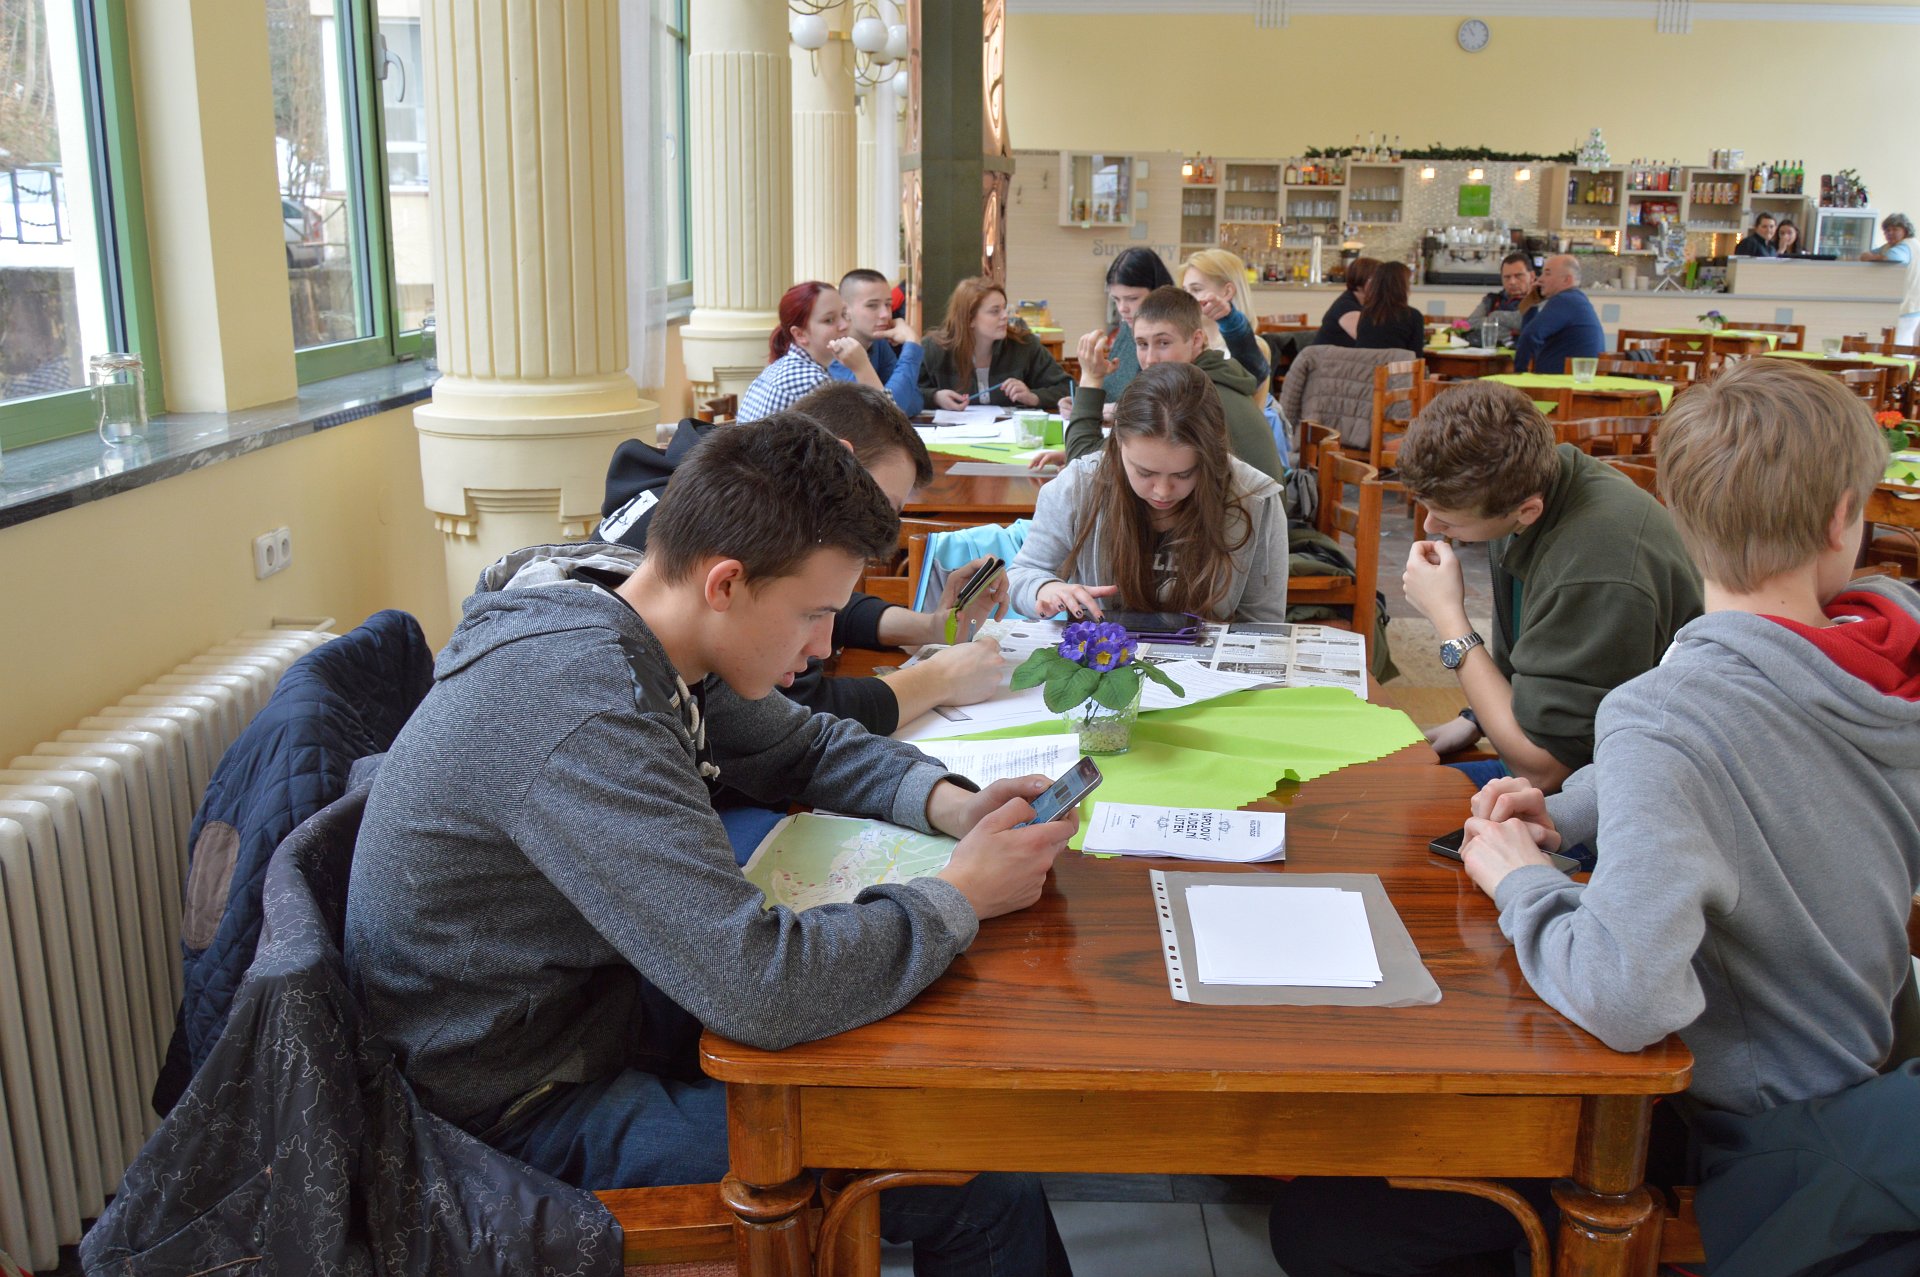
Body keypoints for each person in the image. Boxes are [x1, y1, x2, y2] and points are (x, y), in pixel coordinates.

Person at [346, 416, 1076, 1276]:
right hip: (508, 1108)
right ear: (726, 582)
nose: (822, 646)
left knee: (917, 1063)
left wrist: (952, 804)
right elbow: (755, 986)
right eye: (814, 614)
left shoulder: (644, 619)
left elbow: (805, 746)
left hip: (589, 1005)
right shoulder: (585, 706)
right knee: (972, 1174)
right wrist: (959, 895)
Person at [1269, 358, 1920, 1277]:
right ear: (1843, 517)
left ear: (1679, 511)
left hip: (1735, 1122)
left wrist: (1526, 883)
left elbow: (1626, 996)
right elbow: (1768, 780)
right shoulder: (1881, 665)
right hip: (1864, 1064)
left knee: (1323, 1229)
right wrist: (1571, 808)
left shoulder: (1665, 714)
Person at [599, 381, 1010, 737]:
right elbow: (799, 714)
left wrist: (929, 627)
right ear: (834, 466)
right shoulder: (617, 710)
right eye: (881, 503)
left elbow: (806, 600)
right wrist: (940, 678)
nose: (885, 525)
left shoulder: (713, 490)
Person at [1397, 380, 1702, 794]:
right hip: (1554, 763)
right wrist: (1476, 718)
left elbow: (1546, 773)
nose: (1431, 526)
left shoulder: (1596, 567)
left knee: (1386, 808)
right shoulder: (1534, 479)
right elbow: (1545, 665)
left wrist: (1449, 620)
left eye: (1447, 519)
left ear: (1527, 511)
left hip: (1617, 797)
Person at [1008, 362, 1288, 624]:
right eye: (1144, 472)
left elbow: (1263, 622)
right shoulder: (1077, 485)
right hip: (1105, 654)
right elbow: (1021, 576)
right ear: (1118, 442)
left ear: (1212, 457)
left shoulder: (1255, 499)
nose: (1163, 492)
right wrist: (1045, 588)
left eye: (1183, 474)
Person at [1056, 285, 1282, 480]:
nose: (1150, 359)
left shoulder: (1188, 397)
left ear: (1196, 340)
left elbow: (1081, 469)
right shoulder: (1214, 376)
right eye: (1142, 344)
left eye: (1163, 343)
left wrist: (1091, 378)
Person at [919, 276, 1072, 411]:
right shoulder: (933, 349)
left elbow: (1069, 388)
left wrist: (1034, 397)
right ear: (969, 319)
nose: (1005, 316)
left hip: (1011, 433)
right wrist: (935, 397)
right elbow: (906, 393)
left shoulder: (1024, 345)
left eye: (1004, 308)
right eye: (995, 311)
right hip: (949, 432)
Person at [738, 281, 880, 422]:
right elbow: (882, 426)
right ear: (800, 334)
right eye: (829, 320)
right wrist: (863, 367)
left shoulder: (780, 367)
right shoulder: (812, 380)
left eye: (844, 314)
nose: (844, 325)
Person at [1179, 249, 1272, 393]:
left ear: (1227, 292)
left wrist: (1231, 323)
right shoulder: (1188, 344)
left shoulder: (1256, 348)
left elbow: (1251, 382)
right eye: (1185, 291)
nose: (1187, 298)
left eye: (1196, 289)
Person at [833, 268, 924, 415]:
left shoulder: (878, 342)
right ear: (845, 310)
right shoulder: (835, 350)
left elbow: (915, 400)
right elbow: (891, 412)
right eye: (872, 305)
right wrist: (912, 344)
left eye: (888, 304)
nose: (885, 314)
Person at [1098, 246, 1176, 402]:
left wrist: (1115, 409)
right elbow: (1111, 389)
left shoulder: (1174, 332)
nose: (1122, 308)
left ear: (1158, 292)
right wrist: (1082, 400)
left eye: (1132, 298)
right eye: (1116, 299)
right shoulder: (1127, 328)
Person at [1511, 254, 1605, 374]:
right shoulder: (1575, 299)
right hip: (1575, 378)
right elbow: (1529, 333)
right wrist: (1531, 302)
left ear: (1567, 280)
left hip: (1564, 381)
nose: (1540, 279)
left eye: (1547, 273)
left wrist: (1519, 372)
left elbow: (1530, 336)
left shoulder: (1566, 300)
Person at [1860, 212, 1920, 345]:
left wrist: (1874, 257)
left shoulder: (1906, 246)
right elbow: (1866, 254)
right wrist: (1873, 256)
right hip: (1909, 305)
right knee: (1902, 340)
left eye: (1895, 229)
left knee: (1899, 342)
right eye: (1887, 230)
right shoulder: (1893, 246)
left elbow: (1894, 257)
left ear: (1905, 230)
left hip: (1907, 305)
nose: (1890, 233)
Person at [1338, 260, 1424, 352]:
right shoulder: (1413, 315)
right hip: (1396, 361)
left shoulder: (1366, 313)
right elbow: (1416, 354)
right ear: (1403, 287)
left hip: (1368, 361)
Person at [1464, 251, 1540, 344]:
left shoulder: (1541, 299)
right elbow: (1469, 324)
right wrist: (1510, 333)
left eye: (1518, 276)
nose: (1512, 282)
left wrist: (1495, 316)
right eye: (1507, 277)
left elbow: (1527, 322)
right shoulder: (1492, 300)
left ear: (1532, 276)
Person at [1314, 257, 1378, 350]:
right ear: (1361, 279)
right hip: (1326, 358)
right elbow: (1368, 340)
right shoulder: (1345, 306)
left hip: (1345, 357)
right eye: (1377, 279)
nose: (1381, 284)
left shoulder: (1367, 304)